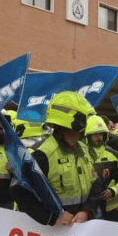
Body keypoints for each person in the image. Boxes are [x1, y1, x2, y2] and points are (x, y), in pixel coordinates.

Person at [11, 91, 100, 226]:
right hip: (54, 234)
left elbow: (96, 184)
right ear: (75, 120)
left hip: (81, 229)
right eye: (85, 119)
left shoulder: (84, 149)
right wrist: (52, 218)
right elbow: (19, 191)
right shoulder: (43, 154)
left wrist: (87, 211)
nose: (88, 123)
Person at [86, 115, 118, 222]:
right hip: (89, 208)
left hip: (112, 209)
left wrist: (113, 190)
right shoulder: (82, 156)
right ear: (87, 136)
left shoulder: (115, 155)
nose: (98, 137)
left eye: (101, 133)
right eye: (95, 134)